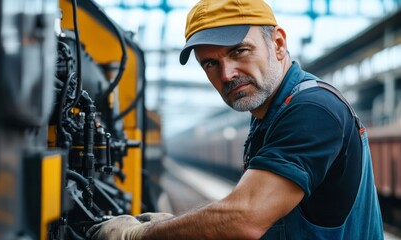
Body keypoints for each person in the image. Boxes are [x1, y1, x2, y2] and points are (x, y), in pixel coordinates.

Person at [86, 0, 384, 239]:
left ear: (278, 44)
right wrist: (176, 224)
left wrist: (141, 235)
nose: (227, 74)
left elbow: (245, 218)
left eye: (239, 51)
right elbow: (256, 209)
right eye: (211, 63)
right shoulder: (269, 114)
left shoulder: (313, 109)